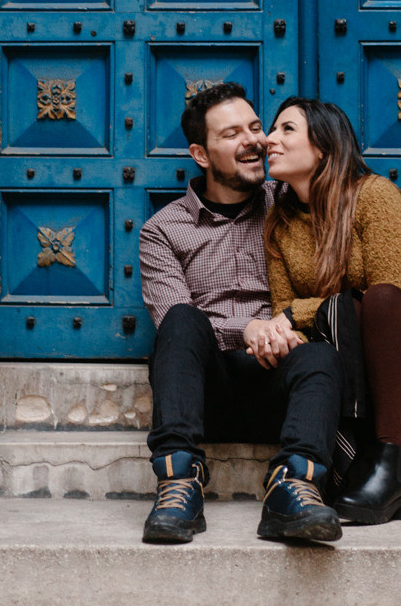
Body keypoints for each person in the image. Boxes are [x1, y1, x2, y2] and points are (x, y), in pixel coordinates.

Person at [139, 82, 343, 546]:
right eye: (232, 133)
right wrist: (248, 327)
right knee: (182, 320)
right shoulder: (163, 230)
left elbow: (362, 263)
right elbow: (172, 319)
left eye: (256, 126)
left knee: (320, 357)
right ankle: (178, 483)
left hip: (281, 387)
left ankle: (294, 487)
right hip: (205, 394)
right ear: (202, 154)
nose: (253, 140)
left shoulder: (291, 204)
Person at [264, 97, 401, 523]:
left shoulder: (374, 196)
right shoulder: (280, 222)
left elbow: (396, 297)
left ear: (324, 147)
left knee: (381, 300)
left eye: (286, 129)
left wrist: (301, 314)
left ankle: (392, 467)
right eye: (272, 130)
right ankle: (363, 468)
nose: (270, 140)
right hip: (343, 360)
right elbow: (282, 313)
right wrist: (298, 320)